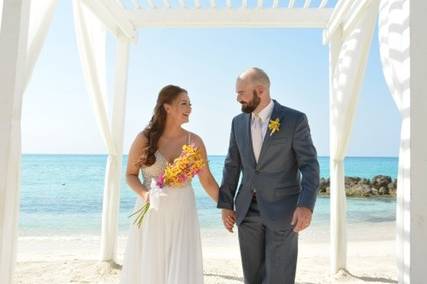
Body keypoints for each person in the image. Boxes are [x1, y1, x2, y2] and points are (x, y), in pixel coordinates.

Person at [218, 67, 320, 284]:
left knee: (279, 278)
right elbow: (232, 164)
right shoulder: (237, 123)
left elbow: (309, 165)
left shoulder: (295, 120)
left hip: (285, 211)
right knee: (252, 278)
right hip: (246, 210)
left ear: (260, 90)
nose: (237, 98)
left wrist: (306, 205)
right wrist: (226, 204)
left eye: (241, 93)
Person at [120, 85, 219, 284]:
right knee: (151, 265)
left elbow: (207, 180)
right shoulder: (144, 138)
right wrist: (144, 193)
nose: (189, 107)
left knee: (180, 267)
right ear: (167, 108)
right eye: (184, 103)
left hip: (183, 212)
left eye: (190, 104)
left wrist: (228, 206)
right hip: (152, 211)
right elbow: (130, 175)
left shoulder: (195, 142)